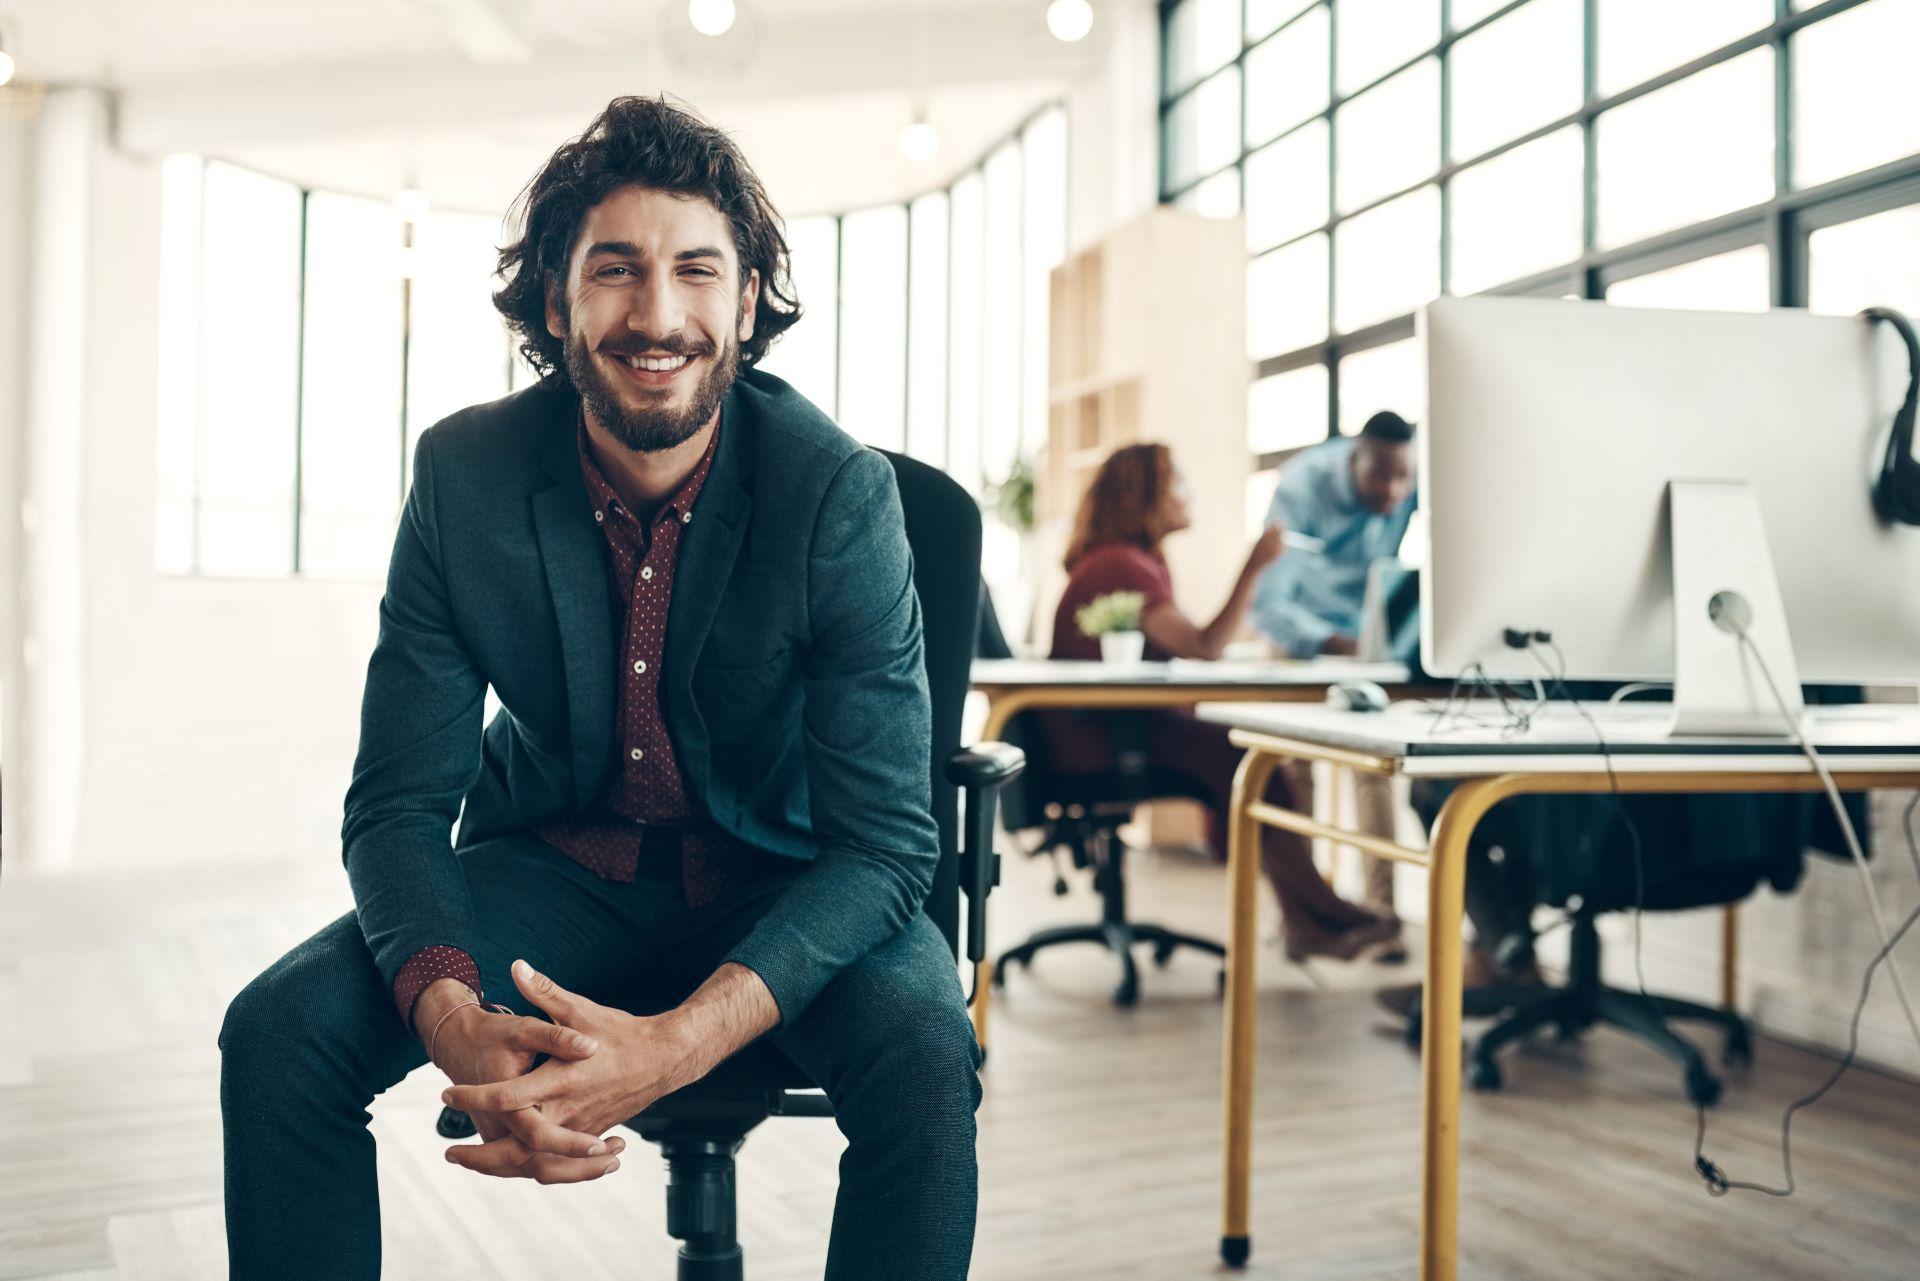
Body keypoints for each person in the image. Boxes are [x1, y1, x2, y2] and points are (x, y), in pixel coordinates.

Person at [217, 96, 980, 1281]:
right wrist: (452, 1021)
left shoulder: (837, 493)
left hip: (781, 878)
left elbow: (886, 846)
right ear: (557, 301)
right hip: (555, 874)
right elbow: (399, 805)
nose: (658, 314)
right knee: (278, 1034)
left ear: (744, 299)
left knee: (929, 1050)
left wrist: (678, 1044)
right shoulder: (464, 479)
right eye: (615, 270)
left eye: (697, 271)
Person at [1042, 443, 1397, 961]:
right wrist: (1254, 567)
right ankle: (1319, 913)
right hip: (1103, 743)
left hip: (1121, 729)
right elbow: (1204, 647)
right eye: (1177, 484)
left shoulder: (1133, 561)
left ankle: (1308, 919)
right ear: (1144, 494)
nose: (1188, 495)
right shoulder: (1120, 563)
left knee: (1249, 757)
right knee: (1249, 759)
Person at [1250, 410, 1418, 944]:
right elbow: (1269, 600)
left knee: (1374, 768)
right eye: (1380, 478)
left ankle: (1381, 915)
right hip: (1300, 635)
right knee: (1295, 768)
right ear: (1354, 458)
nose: (1393, 493)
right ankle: (1306, 911)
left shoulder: (1409, 483)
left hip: (1363, 640)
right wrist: (1331, 642)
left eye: (1402, 479)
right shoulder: (1302, 488)